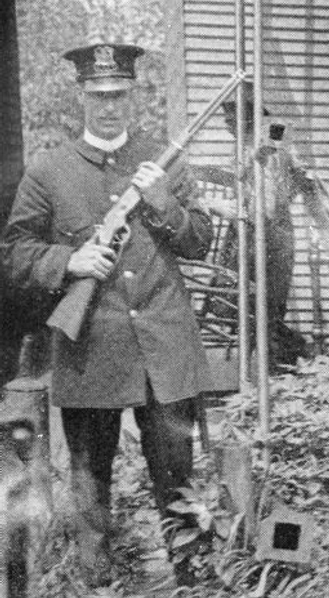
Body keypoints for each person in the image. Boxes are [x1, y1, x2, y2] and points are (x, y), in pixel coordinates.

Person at [0, 42, 212, 588]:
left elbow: (201, 242)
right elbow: (16, 251)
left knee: (177, 476)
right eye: (98, 95)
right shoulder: (49, 170)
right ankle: (97, 582)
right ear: (81, 97)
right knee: (91, 479)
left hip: (162, 346)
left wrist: (164, 202)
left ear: (133, 95)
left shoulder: (165, 160)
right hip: (91, 344)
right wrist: (68, 260)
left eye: (118, 94)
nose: (109, 105)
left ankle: (191, 577)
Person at [204, 81, 329, 366]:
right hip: (247, 234)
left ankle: (285, 363)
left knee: (269, 309)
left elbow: (303, 183)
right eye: (226, 117)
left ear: (249, 114)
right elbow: (238, 181)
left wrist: (325, 227)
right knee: (232, 305)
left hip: (274, 234)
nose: (228, 122)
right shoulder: (241, 147)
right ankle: (287, 357)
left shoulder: (272, 140)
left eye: (232, 116)